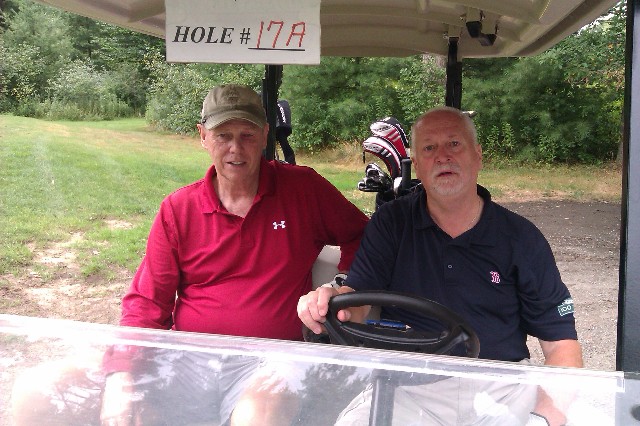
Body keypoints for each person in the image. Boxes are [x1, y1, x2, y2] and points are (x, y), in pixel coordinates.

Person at [12, 84, 368, 426]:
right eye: (223, 136)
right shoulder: (179, 209)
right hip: (187, 360)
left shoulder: (303, 189)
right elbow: (147, 302)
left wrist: (343, 286)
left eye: (246, 135)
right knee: (38, 392)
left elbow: (365, 236)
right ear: (203, 136)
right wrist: (121, 374)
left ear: (264, 135)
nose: (235, 149)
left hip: (273, 360)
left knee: (258, 414)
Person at [298, 106, 583, 426]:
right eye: (429, 148)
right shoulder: (392, 223)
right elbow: (358, 300)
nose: (442, 157)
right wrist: (329, 300)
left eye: (454, 144)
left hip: (499, 386)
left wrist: (548, 411)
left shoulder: (521, 238)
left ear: (477, 155)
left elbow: (561, 343)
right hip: (409, 386)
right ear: (416, 164)